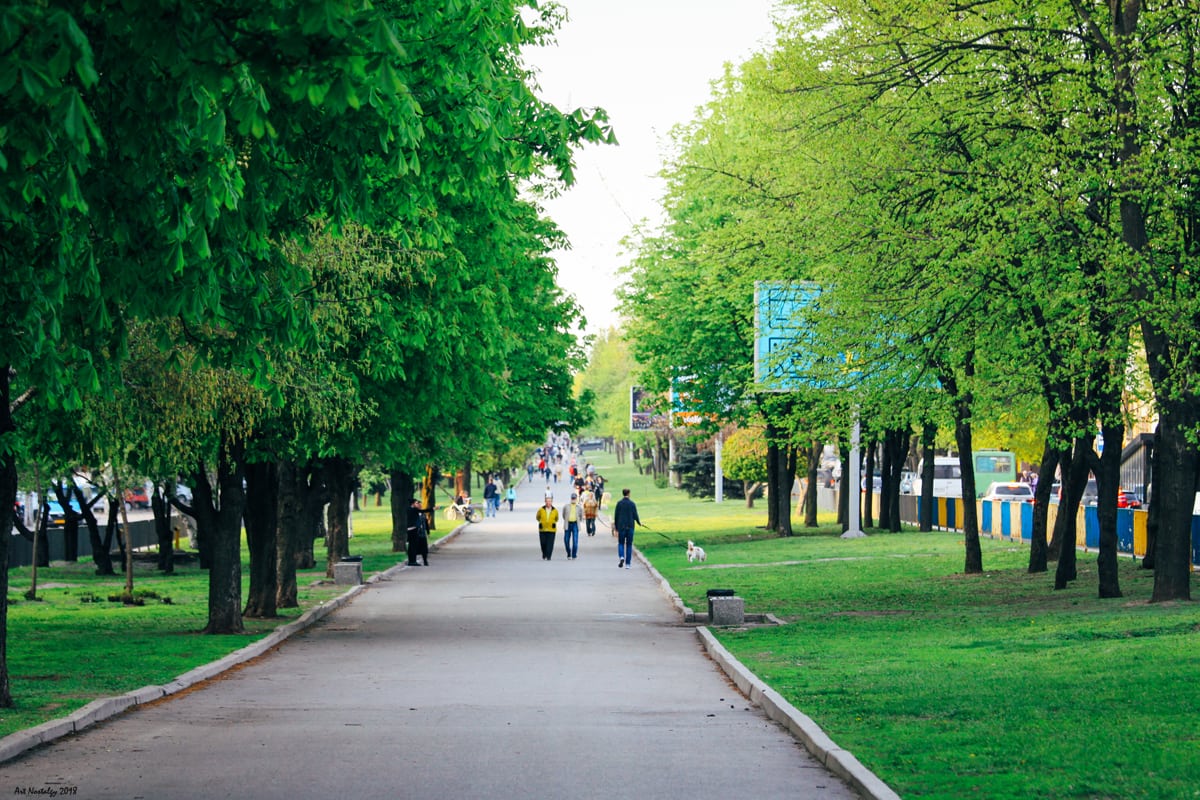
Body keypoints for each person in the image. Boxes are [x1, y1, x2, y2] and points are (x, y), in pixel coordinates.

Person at [613, 488, 642, 569]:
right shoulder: (632, 504)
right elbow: (635, 515)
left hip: (621, 527)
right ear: (629, 494)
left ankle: (621, 556)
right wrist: (639, 523)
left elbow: (616, 516)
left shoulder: (619, 503)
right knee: (629, 545)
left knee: (621, 543)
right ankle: (628, 564)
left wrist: (616, 527)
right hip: (630, 526)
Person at [406, 498, 434, 566]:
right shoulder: (412, 510)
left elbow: (425, 520)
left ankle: (416, 561)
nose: (419, 504)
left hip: (418, 531)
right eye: (417, 503)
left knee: (418, 547)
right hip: (413, 530)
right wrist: (433, 509)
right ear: (413, 504)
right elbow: (423, 510)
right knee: (413, 546)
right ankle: (412, 561)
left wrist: (428, 532)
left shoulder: (415, 511)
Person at [535, 494, 559, 560]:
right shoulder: (541, 509)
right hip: (542, 529)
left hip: (551, 530)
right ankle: (544, 553)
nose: (548, 503)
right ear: (545, 502)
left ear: (552, 502)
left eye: (550, 501)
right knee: (543, 543)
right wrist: (542, 522)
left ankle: (549, 556)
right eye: (547, 501)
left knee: (550, 544)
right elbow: (537, 517)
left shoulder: (555, 510)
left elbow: (557, 518)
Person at [563, 492, 581, 559]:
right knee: (566, 540)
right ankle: (568, 553)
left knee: (575, 541)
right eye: (572, 498)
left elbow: (581, 516)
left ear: (576, 499)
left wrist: (578, 521)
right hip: (568, 524)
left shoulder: (579, 507)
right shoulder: (566, 506)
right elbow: (563, 515)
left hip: (575, 524)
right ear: (571, 499)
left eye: (574, 498)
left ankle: (574, 554)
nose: (573, 499)